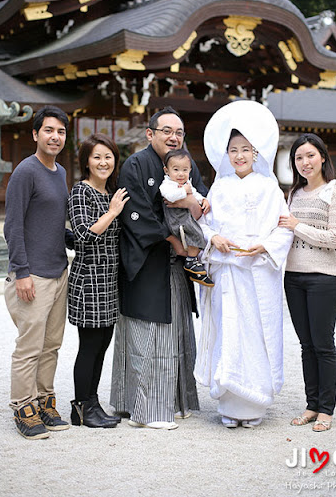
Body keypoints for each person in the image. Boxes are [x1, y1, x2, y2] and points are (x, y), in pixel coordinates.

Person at [195, 100, 293, 428]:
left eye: (245, 149)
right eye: (233, 149)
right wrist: (213, 239)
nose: (239, 155)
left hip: (258, 274)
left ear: (256, 153)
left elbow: (284, 226)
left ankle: (255, 405)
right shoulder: (219, 188)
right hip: (227, 274)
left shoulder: (269, 188)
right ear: (226, 154)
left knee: (257, 334)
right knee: (229, 333)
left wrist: (264, 245)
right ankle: (230, 405)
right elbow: (203, 225)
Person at [110, 106, 207, 430]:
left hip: (175, 266)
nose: (173, 137)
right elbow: (134, 213)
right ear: (150, 133)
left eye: (178, 132)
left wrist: (197, 202)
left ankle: (176, 401)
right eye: (167, 131)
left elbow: (201, 196)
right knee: (147, 335)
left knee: (175, 333)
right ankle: (145, 410)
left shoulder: (185, 162)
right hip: (147, 259)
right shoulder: (135, 164)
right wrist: (171, 239)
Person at [4, 105, 72, 440]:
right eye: (48, 130)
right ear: (35, 134)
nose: (55, 137)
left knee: (51, 344)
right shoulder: (25, 172)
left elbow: (57, 225)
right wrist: (21, 272)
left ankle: (44, 400)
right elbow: (12, 226)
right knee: (29, 346)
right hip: (33, 276)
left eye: (60, 131)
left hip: (59, 272)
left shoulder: (59, 173)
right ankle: (22, 405)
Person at [278, 133, 336, 432]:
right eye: (298, 158)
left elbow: (335, 238)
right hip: (294, 278)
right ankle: (311, 404)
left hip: (325, 279)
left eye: (310, 155)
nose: (305, 162)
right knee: (306, 345)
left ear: (322, 156)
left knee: (323, 345)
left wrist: (298, 226)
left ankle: (326, 409)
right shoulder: (293, 194)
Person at [67, 133, 129, 429]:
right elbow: (82, 236)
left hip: (109, 280)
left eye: (108, 156)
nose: (104, 162)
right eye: (97, 157)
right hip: (88, 279)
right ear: (86, 162)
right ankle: (80, 408)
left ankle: (92, 403)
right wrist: (112, 212)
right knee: (89, 346)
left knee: (102, 344)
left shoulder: (112, 192)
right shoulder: (82, 191)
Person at [159, 148, 213, 287]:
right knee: (194, 233)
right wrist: (184, 192)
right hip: (175, 219)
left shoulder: (187, 184)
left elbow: (195, 194)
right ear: (167, 171)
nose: (181, 174)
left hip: (185, 217)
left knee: (197, 232)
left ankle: (192, 261)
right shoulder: (167, 184)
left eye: (185, 170)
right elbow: (170, 196)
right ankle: (191, 260)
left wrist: (203, 200)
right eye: (176, 169)